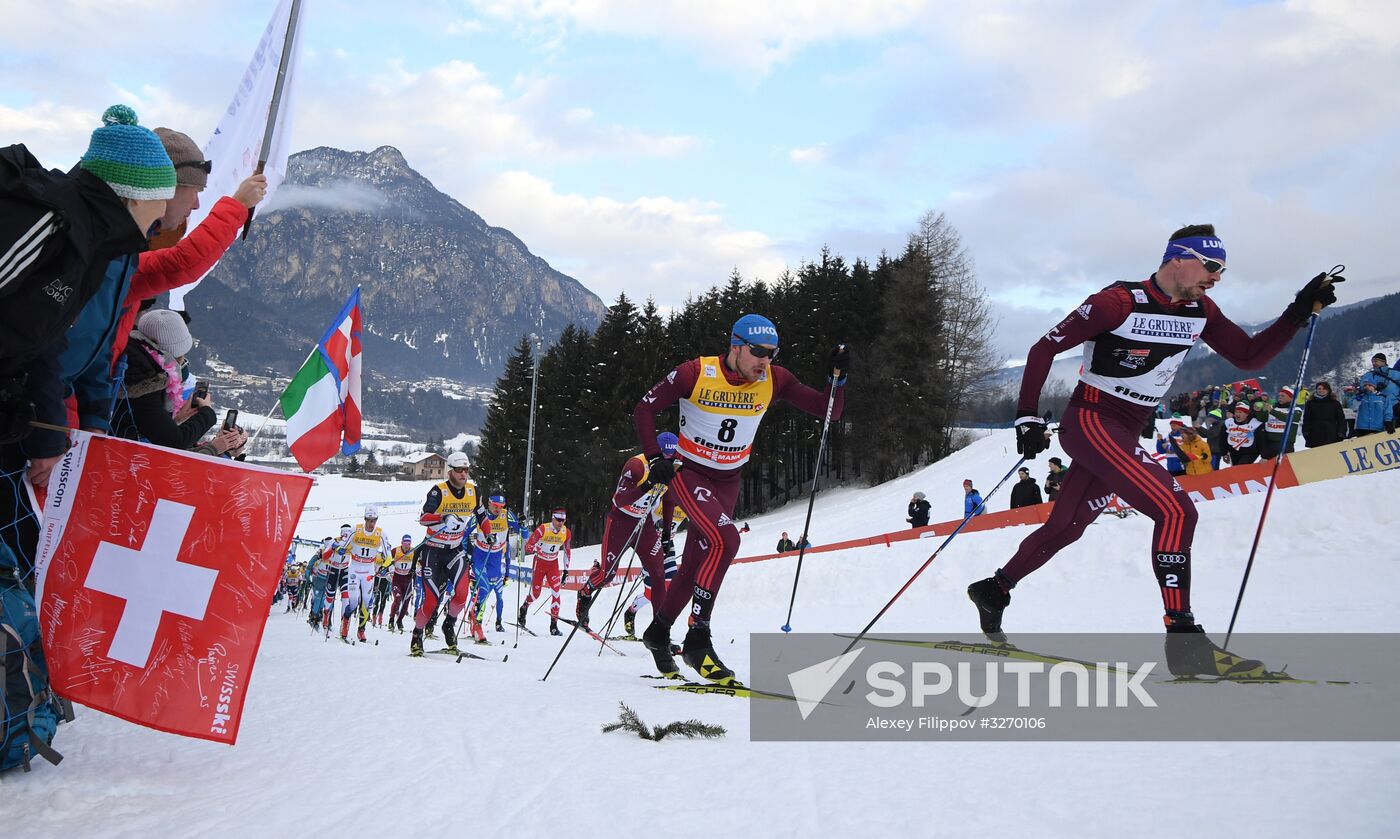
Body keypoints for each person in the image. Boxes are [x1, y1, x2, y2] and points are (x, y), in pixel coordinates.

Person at [968, 224, 1342, 678]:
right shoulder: (1118, 302)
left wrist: (1297, 311)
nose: (1216, 276)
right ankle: (1183, 637)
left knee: (1067, 526)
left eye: (1222, 269)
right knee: (1177, 511)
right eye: (1211, 266)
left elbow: (1247, 358)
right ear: (1178, 258)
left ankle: (995, 588)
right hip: (1091, 419)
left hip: (1127, 429)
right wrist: (1027, 415)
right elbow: (1042, 348)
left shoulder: (1200, 310)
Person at [1, 106, 175, 584]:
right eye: (154, 221)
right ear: (131, 200)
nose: (151, 236)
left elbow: (44, 343)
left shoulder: (93, 251)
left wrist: (47, 432)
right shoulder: (48, 222)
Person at [632, 315, 847, 682]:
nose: (765, 360)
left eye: (771, 353)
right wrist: (655, 457)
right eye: (758, 352)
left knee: (695, 564)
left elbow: (830, 410)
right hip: (689, 473)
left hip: (729, 480)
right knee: (728, 538)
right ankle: (698, 638)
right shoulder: (695, 372)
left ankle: (658, 632)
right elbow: (644, 409)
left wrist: (836, 379)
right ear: (735, 346)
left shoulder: (775, 379)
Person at [575, 433, 681, 630]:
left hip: (644, 524)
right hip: (620, 522)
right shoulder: (637, 466)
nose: (668, 461)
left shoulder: (674, 467)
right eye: (665, 457)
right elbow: (619, 500)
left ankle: (660, 632)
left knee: (658, 574)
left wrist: (666, 533)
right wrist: (648, 483)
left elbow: (669, 499)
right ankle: (585, 592)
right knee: (608, 574)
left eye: (672, 457)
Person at [410, 451, 482, 656]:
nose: (463, 474)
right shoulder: (438, 491)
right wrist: (443, 518)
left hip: (455, 551)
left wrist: (488, 533)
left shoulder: (473, 492)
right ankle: (417, 633)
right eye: (459, 470)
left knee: (461, 595)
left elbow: (482, 515)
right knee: (431, 602)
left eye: (466, 470)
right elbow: (424, 518)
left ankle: (449, 624)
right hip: (433, 551)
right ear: (450, 471)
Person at [466, 493, 519, 638]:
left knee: (488, 591)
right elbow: (464, 534)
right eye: (495, 506)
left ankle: (475, 617)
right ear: (489, 504)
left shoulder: (507, 515)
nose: (498, 509)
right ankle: (477, 623)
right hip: (480, 557)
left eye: (501, 506)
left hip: (495, 561)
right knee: (483, 588)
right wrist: (468, 554)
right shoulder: (480, 516)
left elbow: (522, 532)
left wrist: (522, 526)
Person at [519, 507, 572, 636]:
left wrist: (566, 570)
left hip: (553, 564)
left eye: (563, 520)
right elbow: (528, 546)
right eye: (558, 520)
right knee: (536, 593)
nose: (560, 523)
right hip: (540, 562)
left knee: (556, 593)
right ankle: (525, 607)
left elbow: (567, 551)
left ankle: (554, 626)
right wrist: (534, 547)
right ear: (553, 518)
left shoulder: (566, 532)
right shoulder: (543, 529)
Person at [318, 525, 354, 633]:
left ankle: (344, 625)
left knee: (346, 597)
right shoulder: (334, 541)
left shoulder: (352, 543)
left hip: (345, 570)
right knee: (330, 596)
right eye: (344, 533)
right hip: (333, 570)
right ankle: (326, 613)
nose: (345, 535)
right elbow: (324, 557)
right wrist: (333, 548)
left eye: (348, 533)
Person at [1360, 353, 1399, 434]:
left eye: (1376, 361)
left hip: (1395, 404)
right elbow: (1362, 390)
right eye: (1372, 361)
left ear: (1383, 361)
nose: (1373, 363)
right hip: (1377, 406)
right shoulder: (1368, 376)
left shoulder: (1396, 374)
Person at [1260, 386, 1301, 459]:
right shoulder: (1273, 407)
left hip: (1286, 444)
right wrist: (1257, 410)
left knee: (1284, 467)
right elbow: (1262, 419)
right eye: (1279, 396)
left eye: (1283, 396)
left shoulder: (1296, 409)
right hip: (1270, 443)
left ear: (1290, 398)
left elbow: (1289, 418)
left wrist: (1272, 411)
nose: (1280, 397)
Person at [1302, 381, 1347, 448]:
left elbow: (1341, 419)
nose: (1321, 390)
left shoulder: (1335, 403)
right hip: (1314, 434)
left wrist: (1341, 432)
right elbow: (1306, 419)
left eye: (1324, 389)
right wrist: (1305, 432)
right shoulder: (1310, 403)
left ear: (1328, 390)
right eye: (1319, 389)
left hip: (1331, 434)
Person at [387, 535, 416, 632]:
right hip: (397, 579)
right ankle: (391, 620)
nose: (407, 546)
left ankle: (399, 621)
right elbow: (389, 561)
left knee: (406, 602)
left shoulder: (413, 551)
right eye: (405, 543)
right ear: (401, 542)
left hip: (407, 580)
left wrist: (416, 570)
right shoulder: (396, 551)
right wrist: (390, 571)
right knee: (398, 598)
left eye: (409, 543)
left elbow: (419, 562)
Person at [1224, 401, 1263, 465]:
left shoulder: (1255, 423)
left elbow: (1261, 440)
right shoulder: (1229, 422)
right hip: (1234, 451)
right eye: (1236, 412)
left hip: (1250, 452)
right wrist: (1224, 452)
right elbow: (1223, 438)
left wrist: (1264, 456)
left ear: (1246, 414)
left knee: (1241, 468)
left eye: (1240, 412)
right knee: (1235, 469)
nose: (1237, 414)